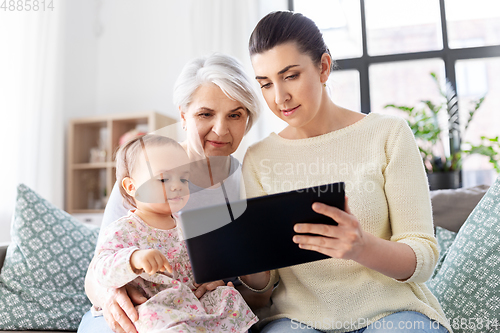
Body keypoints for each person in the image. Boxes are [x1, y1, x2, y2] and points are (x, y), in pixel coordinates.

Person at [238, 11, 453, 333]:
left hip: (391, 313)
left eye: (291, 76)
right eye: (266, 83)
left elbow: (422, 256)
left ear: (323, 67)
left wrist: (362, 247)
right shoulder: (257, 158)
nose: (278, 97)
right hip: (297, 320)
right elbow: (264, 286)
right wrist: (246, 262)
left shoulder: (388, 133)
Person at [78, 53, 265, 333]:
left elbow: (260, 293)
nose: (221, 129)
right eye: (205, 114)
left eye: (235, 115)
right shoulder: (145, 172)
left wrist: (226, 283)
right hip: (142, 310)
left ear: (247, 119)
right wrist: (110, 297)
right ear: (183, 116)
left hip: (201, 310)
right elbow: (97, 270)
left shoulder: (251, 178)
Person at [93, 134, 258, 332]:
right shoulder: (123, 229)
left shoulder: (186, 225)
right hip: (153, 303)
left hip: (189, 299)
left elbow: (201, 265)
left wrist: (213, 279)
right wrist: (133, 258)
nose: (176, 185)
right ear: (131, 187)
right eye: (163, 179)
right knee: (154, 318)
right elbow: (101, 269)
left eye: (183, 178)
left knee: (228, 297)